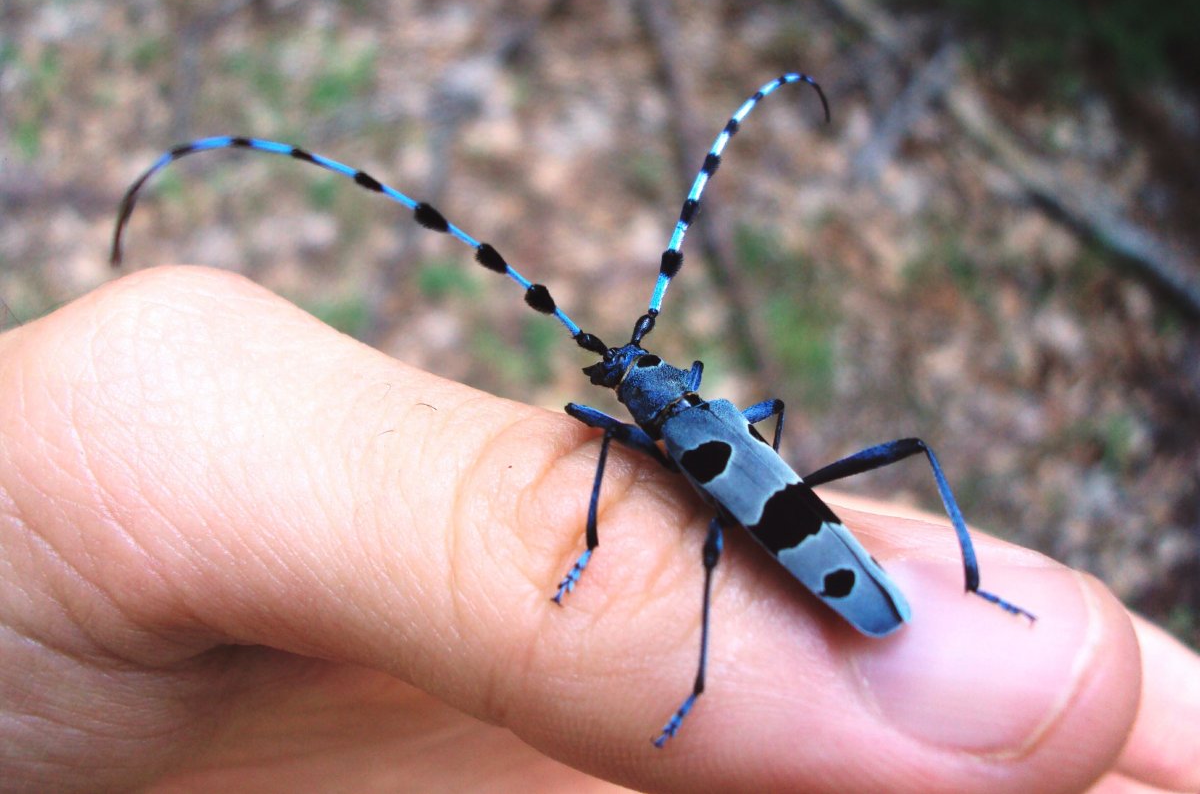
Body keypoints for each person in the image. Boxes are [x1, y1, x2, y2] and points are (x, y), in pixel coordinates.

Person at [2, 266, 1197, 793]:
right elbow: (712, 431)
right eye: (625, 379)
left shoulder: (657, 427)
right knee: (752, 525)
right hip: (778, 513)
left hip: (786, 523)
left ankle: (968, 594)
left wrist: (593, 538)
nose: (623, 385)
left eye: (631, 377)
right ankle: (962, 600)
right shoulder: (686, 419)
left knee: (736, 536)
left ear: (647, 389)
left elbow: (654, 437)